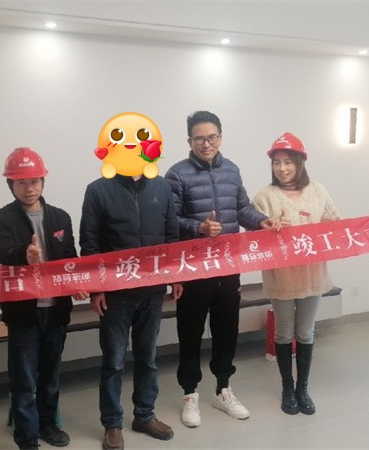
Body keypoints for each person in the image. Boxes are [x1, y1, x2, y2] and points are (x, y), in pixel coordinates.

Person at [164, 111, 278, 428]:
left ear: (220, 138)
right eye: (199, 138)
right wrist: (197, 228)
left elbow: (242, 209)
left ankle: (223, 390)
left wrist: (261, 222)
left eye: (211, 137)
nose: (206, 143)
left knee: (226, 329)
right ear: (189, 141)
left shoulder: (231, 170)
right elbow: (169, 220)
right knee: (190, 332)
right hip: (193, 269)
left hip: (228, 265)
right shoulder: (176, 175)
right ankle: (189, 394)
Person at [0, 147, 87, 449]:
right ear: (11, 184)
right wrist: (25, 254)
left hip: (56, 311)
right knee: (24, 381)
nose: (29, 188)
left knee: (50, 376)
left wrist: (76, 284)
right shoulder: (1, 218)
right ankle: (27, 437)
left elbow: (70, 258)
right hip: (23, 314)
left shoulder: (60, 217)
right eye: (21, 182)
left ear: (43, 181)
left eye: (34, 181)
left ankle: (48, 424)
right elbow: (1, 252)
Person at [79, 171, 183, 450]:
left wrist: (175, 276)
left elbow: (172, 236)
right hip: (115, 294)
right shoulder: (98, 189)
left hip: (152, 291)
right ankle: (112, 423)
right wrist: (96, 288)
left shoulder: (161, 186)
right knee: (113, 362)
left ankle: (144, 415)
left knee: (148, 357)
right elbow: (90, 242)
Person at [251, 132, 341, 415]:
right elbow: (252, 232)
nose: (282, 168)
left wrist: (364, 225)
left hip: (312, 274)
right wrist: (268, 226)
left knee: (305, 332)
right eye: (277, 162)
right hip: (281, 275)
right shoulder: (264, 196)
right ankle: (287, 388)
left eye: (288, 162)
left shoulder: (318, 191)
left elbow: (334, 224)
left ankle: (303, 388)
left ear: (300, 163)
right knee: (284, 333)